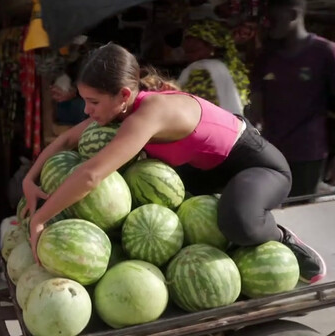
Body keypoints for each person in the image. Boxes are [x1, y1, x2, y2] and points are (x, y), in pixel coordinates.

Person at [22, 42, 326, 285]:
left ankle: (281, 236)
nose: (87, 111)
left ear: (124, 95)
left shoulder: (149, 114)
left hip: (256, 166)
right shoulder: (122, 110)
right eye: (84, 100)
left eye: (94, 102)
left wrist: (41, 218)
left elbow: (91, 175)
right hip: (206, 171)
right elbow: (65, 141)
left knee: (239, 224)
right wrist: (30, 180)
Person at [246, 0, 335, 196]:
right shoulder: (266, 57)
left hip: (308, 152)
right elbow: (256, 105)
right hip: (270, 152)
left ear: (293, 15)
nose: (266, 25)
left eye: (272, 20)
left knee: (302, 211)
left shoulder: (325, 53)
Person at [178, 19, 250, 115]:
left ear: (212, 48)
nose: (189, 56)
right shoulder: (235, 70)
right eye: (186, 51)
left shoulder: (201, 72)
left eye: (194, 50)